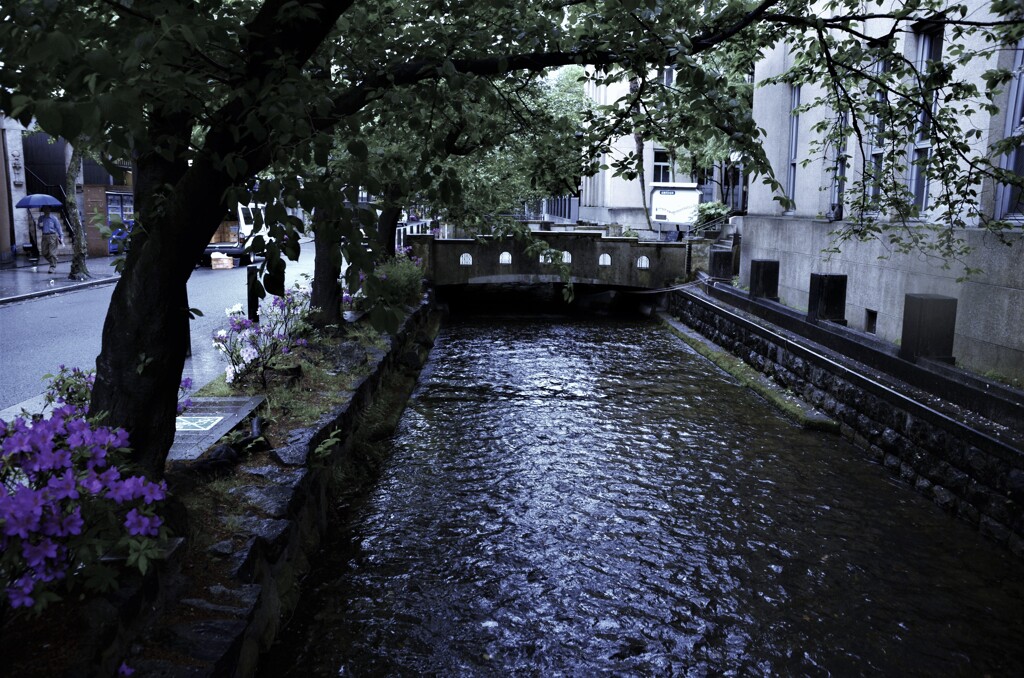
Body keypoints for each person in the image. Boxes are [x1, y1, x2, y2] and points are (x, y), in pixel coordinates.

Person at [38, 206, 63, 273]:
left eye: (47, 209)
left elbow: (58, 228)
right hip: (44, 236)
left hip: (52, 236)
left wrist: (61, 236)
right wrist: (40, 225)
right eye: (44, 209)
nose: (46, 210)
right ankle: (54, 261)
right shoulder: (41, 218)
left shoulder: (54, 218)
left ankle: (52, 267)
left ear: (50, 209)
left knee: (52, 253)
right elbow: (39, 227)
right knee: (44, 252)